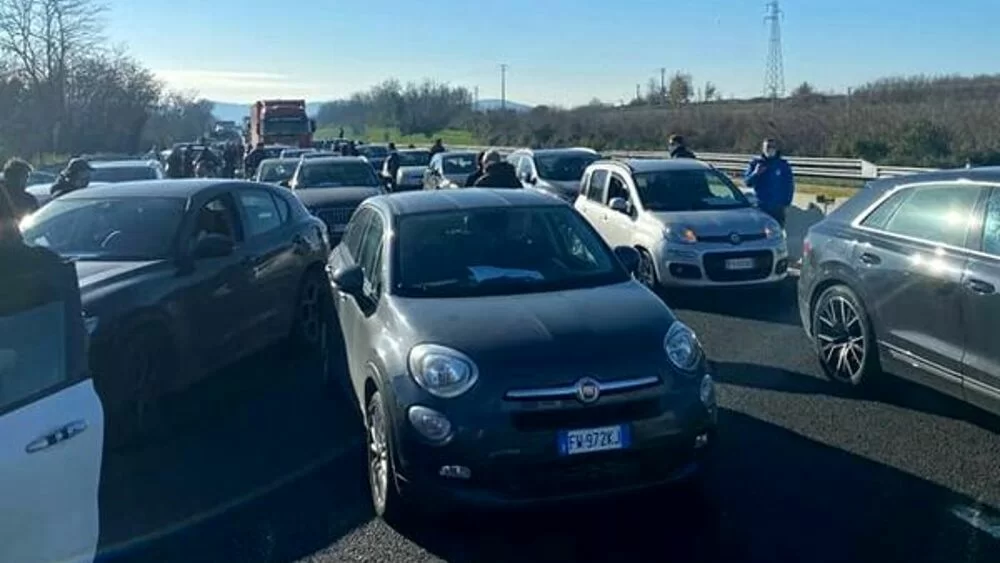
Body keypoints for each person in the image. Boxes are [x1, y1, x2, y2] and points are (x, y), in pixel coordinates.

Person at [744, 138, 795, 227]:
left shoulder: (783, 165)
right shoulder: (756, 163)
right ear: (763, 149)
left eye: (773, 147)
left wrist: (787, 202)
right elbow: (747, 182)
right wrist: (756, 173)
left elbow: (789, 185)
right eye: (768, 147)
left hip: (778, 207)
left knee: (778, 231)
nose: (770, 149)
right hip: (761, 206)